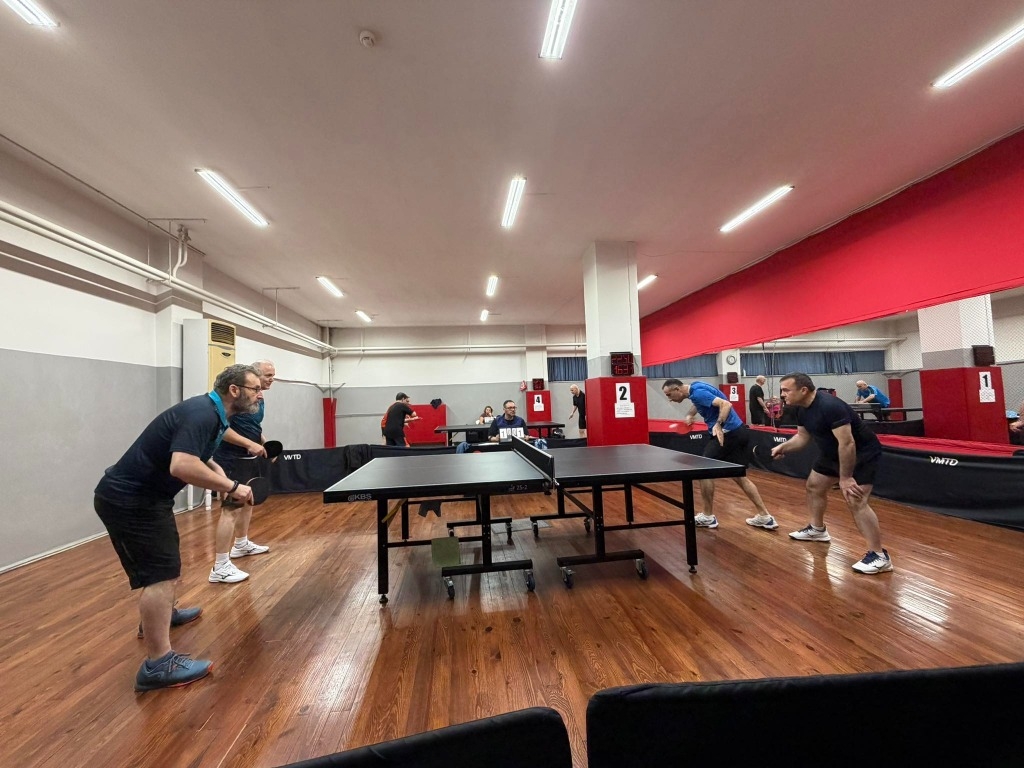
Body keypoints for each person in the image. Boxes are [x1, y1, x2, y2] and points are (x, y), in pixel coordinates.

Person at [93, 363, 261, 691]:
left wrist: (221, 475)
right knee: (160, 575)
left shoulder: (213, 413)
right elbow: (182, 465)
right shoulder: (202, 413)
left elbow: (195, 453)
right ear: (235, 390)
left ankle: (161, 616)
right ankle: (158, 665)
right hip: (130, 501)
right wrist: (231, 487)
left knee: (168, 564)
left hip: (150, 499)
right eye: (255, 389)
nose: (259, 395)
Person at [771, 372, 893, 574]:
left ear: (803, 390)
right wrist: (783, 447)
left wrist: (845, 477)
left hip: (861, 453)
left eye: (786, 390)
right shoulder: (800, 408)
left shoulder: (829, 406)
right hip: (832, 452)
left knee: (855, 500)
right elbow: (802, 437)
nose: (782, 394)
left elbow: (848, 443)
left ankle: (880, 556)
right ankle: (817, 530)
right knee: (814, 486)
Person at [661, 379, 777, 531]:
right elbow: (702, 402)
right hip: (738, 432)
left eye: (669, 395)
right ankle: (765, 516)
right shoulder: (695, 387)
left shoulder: (698, 393)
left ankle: (708, 516)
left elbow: (726, 404)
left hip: (727, 434)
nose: (669, 399)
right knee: (739, 476)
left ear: (677, 389)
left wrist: (718, 424)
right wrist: (690, 414)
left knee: (703, 471)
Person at [208, 359, 276, 584]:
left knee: (248, 499)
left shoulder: (258, 398)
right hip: (229, 458)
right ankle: (220, 565)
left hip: (249, 456)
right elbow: (223, 429)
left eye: (273, 375)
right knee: (231, 509)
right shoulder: (235, 401)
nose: (271, 379)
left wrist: (263, 443)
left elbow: (253, 426)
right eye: (267, 375)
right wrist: (248, 443)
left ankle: (241, 544)